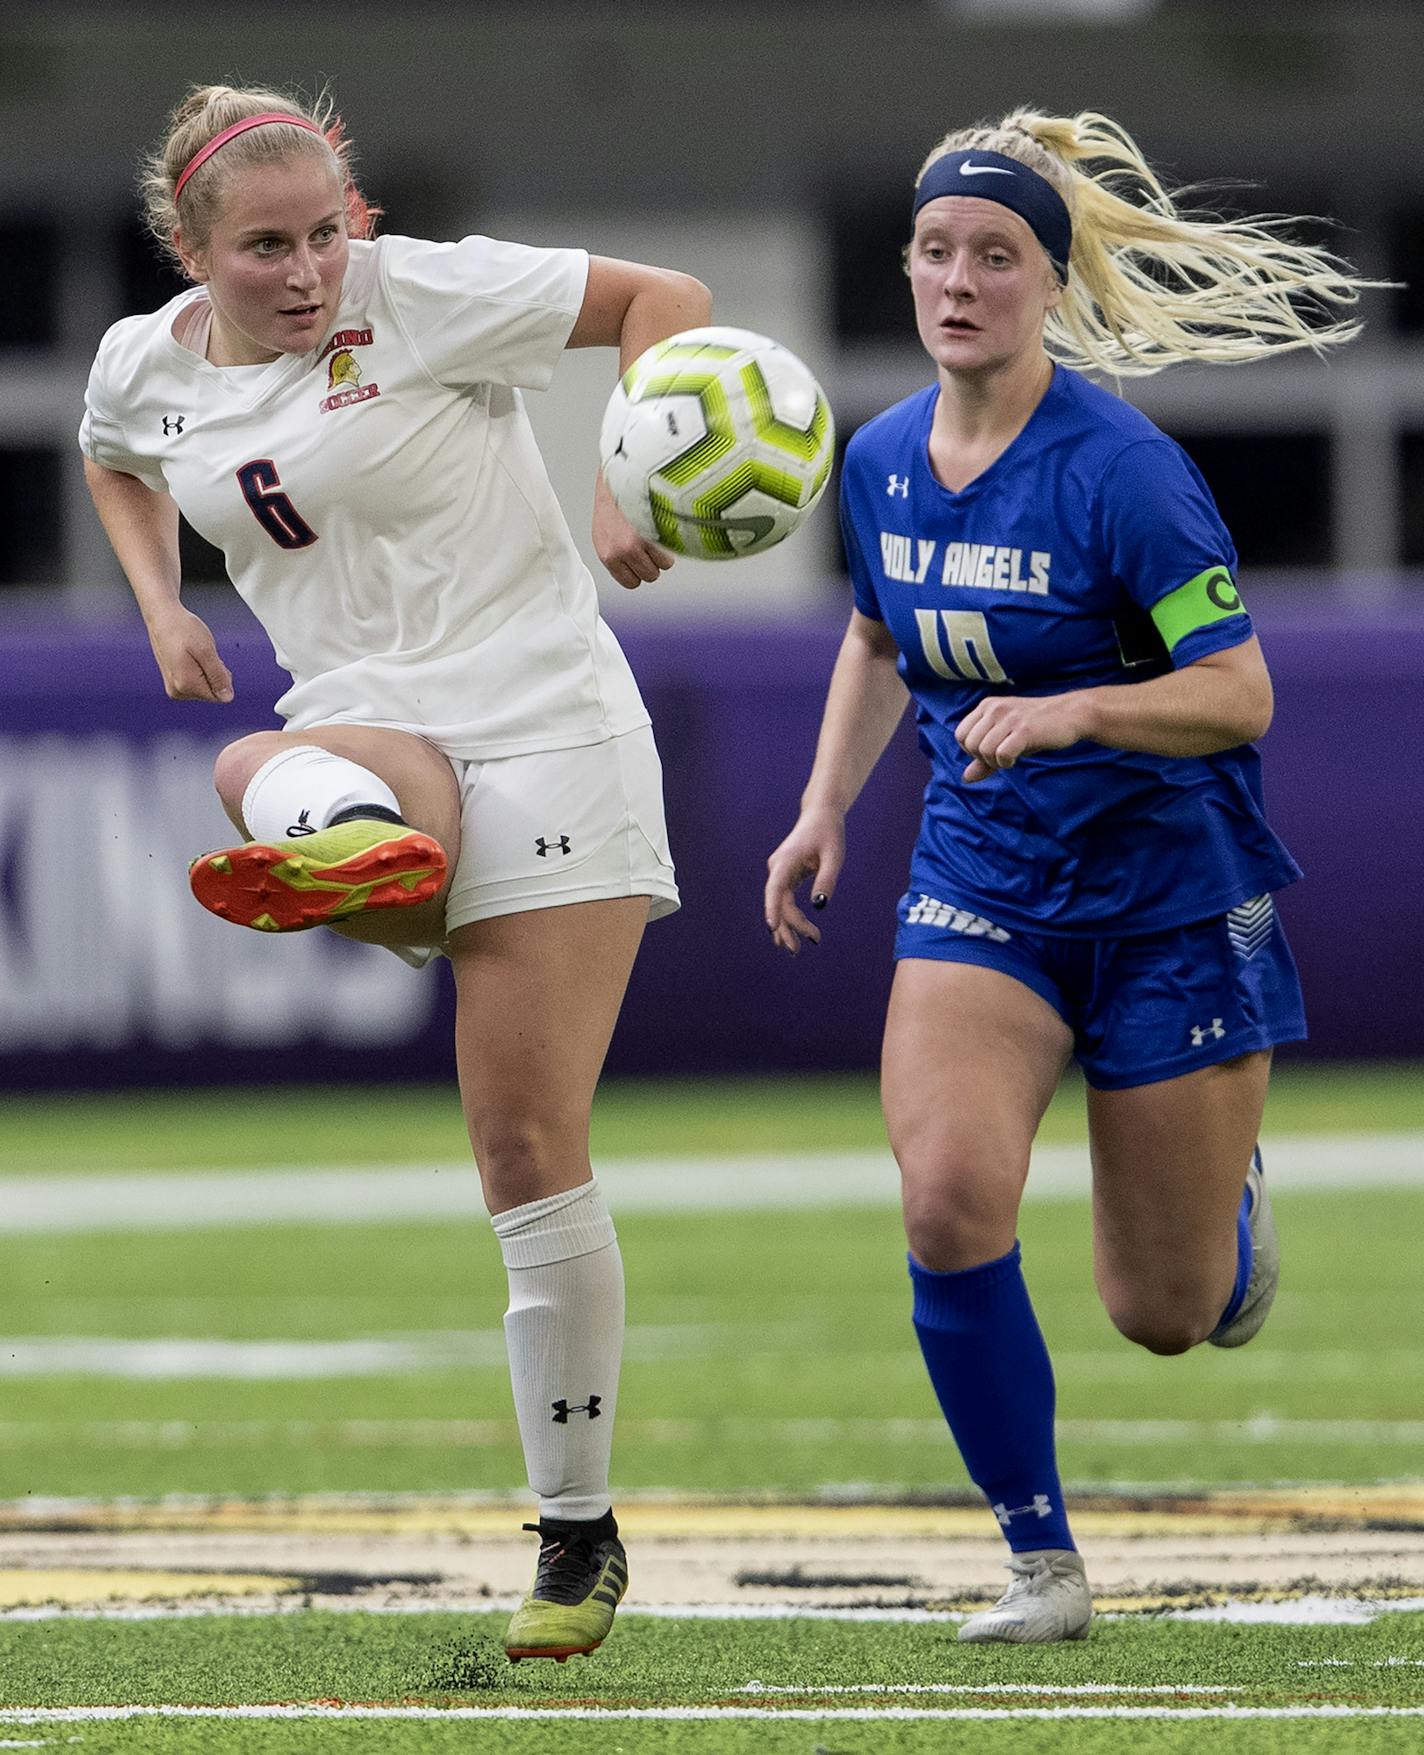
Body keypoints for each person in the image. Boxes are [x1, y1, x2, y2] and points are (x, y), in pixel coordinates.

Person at [80, 82, 711, 1664]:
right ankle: (356, 847)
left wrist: (630, 473)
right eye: (263, 250)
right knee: (251, 766)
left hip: (554, 731)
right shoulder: (146, 364)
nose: (304, 274)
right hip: (372, 731)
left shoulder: (418, 290)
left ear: (355, 220)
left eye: (323, 237)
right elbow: (116, 456)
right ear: (188, 249)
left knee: (519, 1143)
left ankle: (576, 1537)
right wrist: (161, 603)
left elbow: (666, 301)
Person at [765, 108, 1378, 1644]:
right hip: (986, 889)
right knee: (949, 1195)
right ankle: (1040, 1559)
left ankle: (1226, 1213)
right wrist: (823, 809)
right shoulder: (883, 459)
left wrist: (1081, 708)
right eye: (935, 252)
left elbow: (1240, 692)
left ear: (1049, 285)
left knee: (1163, 1317)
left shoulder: (1125, 471)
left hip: (1173, 899)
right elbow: (872, 637)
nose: (959, 281)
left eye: (996, 256)